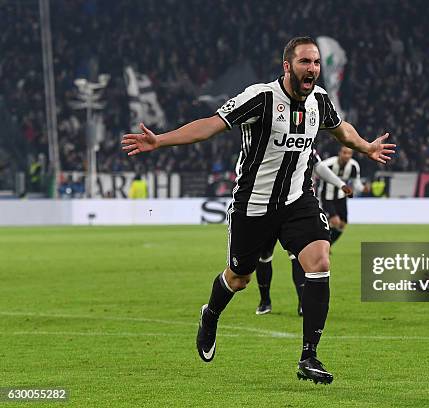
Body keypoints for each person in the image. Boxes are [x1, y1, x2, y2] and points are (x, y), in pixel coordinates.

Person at [121, 36, 395, 385]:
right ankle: (211, 314)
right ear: (287, 66)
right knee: (239, 278)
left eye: (315, 63)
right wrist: (161, 140)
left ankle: (309, 355)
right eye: (304, 62)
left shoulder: (319, 101)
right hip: (254, 206)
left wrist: (367, 146)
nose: (312, 69)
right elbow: (211, 124)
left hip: (298, 201)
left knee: (320, 261)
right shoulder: (261, 98)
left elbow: (341, 130)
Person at [254, 149, 353, 316]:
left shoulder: (304, 141)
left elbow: (319, 166)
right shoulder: (265, 142)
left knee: (297, 255)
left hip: (295, 208)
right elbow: (243, 165)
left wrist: (340, 184)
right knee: (264, 256)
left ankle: (302, 302)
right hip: (267, 207)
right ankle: (265, 301)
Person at [319, 146, 365, 245]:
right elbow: (316, 171)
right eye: (344, 152)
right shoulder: (328, 164)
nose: (346, 155)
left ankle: (328, 245)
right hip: (327, 197)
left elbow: (356, 183)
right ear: (339, 153)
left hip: (341, 197)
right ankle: (322, 244)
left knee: (342, 224)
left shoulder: (353, 166)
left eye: (349, 153)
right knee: (335, 221)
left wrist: (363, 188)